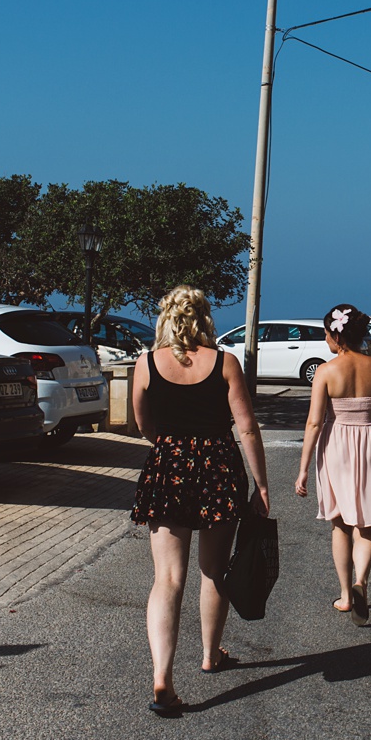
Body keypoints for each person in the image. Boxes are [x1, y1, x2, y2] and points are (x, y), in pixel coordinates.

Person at [131, 285, 270, 716]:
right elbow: (247, 428)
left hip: (168, 466)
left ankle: (162, 678)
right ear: (205, 317)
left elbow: (143, 424)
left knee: (167, 578)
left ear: (166, 318)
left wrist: (173, 445)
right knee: (213, 570)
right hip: (218, 468)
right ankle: (210, 656)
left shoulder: (146, 363)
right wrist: (261, 485)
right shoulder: (225, 362)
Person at [294, 303, 371, 626]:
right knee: (366, 524)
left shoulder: (326, 372)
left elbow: (314, 423)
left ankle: (345, 595)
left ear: (336, 336)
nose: (326, 339)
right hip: (369, 443)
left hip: (336, 447)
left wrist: (303, 470)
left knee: (340, 523)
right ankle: (361, 583)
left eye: (327, 334)